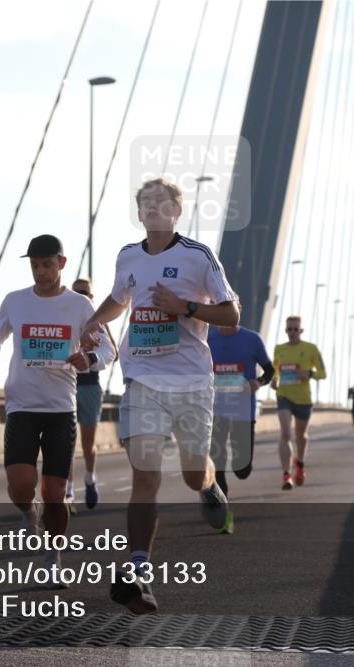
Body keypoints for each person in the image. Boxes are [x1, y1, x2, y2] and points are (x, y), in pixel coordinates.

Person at [80, 178, 239, 614]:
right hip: (144, 379)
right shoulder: (128, 257)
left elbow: (230, 313)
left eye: (160, 202)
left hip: (190, 382)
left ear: (176, 210)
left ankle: (208, 486)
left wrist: (185, 308)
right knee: (145, 475)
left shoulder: (197, 256)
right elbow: (117, 299)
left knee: (191, 474)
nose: (152, 208)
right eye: (145, 202)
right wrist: (94, 320)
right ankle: (138, 573)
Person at [0, 235, 115, 587]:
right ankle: (28, 511)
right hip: (22, 406)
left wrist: (89, 359)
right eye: (35, 265)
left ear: (62, 264)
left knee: (55, 492)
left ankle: (52, 559)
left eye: (47, 265)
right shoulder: (16, 301)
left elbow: (108, 351)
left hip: (60, 409)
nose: (41, 272)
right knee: (21, 484)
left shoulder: (81, 306)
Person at [207, 305, 274, 500]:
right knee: (217, 458)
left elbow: (269, 371)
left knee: (242, 470)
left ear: (238, 311)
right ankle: (222, 501)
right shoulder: (209, 340)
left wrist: (258, 382)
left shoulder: (252, 339)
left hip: (244, 411)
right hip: (216, 409)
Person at [66, 277, 117, 510]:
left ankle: (90, 478)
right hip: (67, 386)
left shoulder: (99, 321)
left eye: (85, 292)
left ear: (92, 296)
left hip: (90, 387)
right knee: (66, 442)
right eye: (77, 292)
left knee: (87, 444)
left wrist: (92, 356)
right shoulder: (65, 318)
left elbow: (113, 352)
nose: (82, 296)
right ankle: (67, 492)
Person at [272, 316, 327, 490]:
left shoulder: (310, 349)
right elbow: (276, 371)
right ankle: (286, 475)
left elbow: (323, 373)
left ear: (301, 331)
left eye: (296, 329)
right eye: (289, 329)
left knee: (301, 436)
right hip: (284, 396)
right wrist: (274, 380)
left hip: (303, 399)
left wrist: (309, 374)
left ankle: (300, 464)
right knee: (286, 434)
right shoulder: (279, 349)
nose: (292, 332)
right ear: (286, 331)